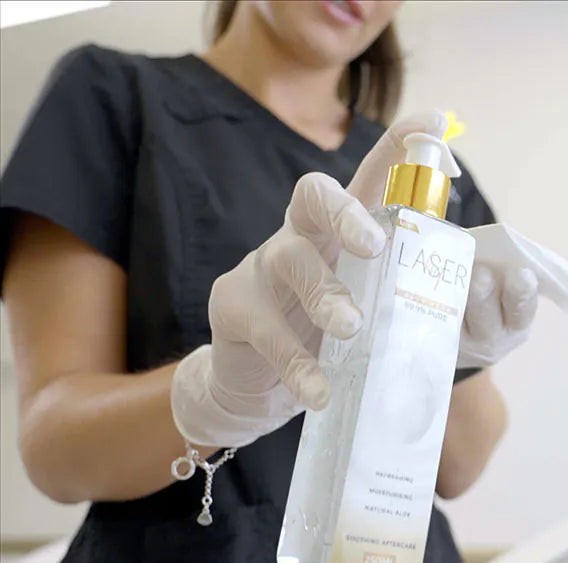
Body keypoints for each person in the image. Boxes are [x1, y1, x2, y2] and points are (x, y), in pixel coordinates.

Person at [0, 1, 539, 561]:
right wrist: (213, 396)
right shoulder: (115, 97)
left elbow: (458, 467)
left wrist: (446, 352)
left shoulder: (430, 176)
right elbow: (52, 447)